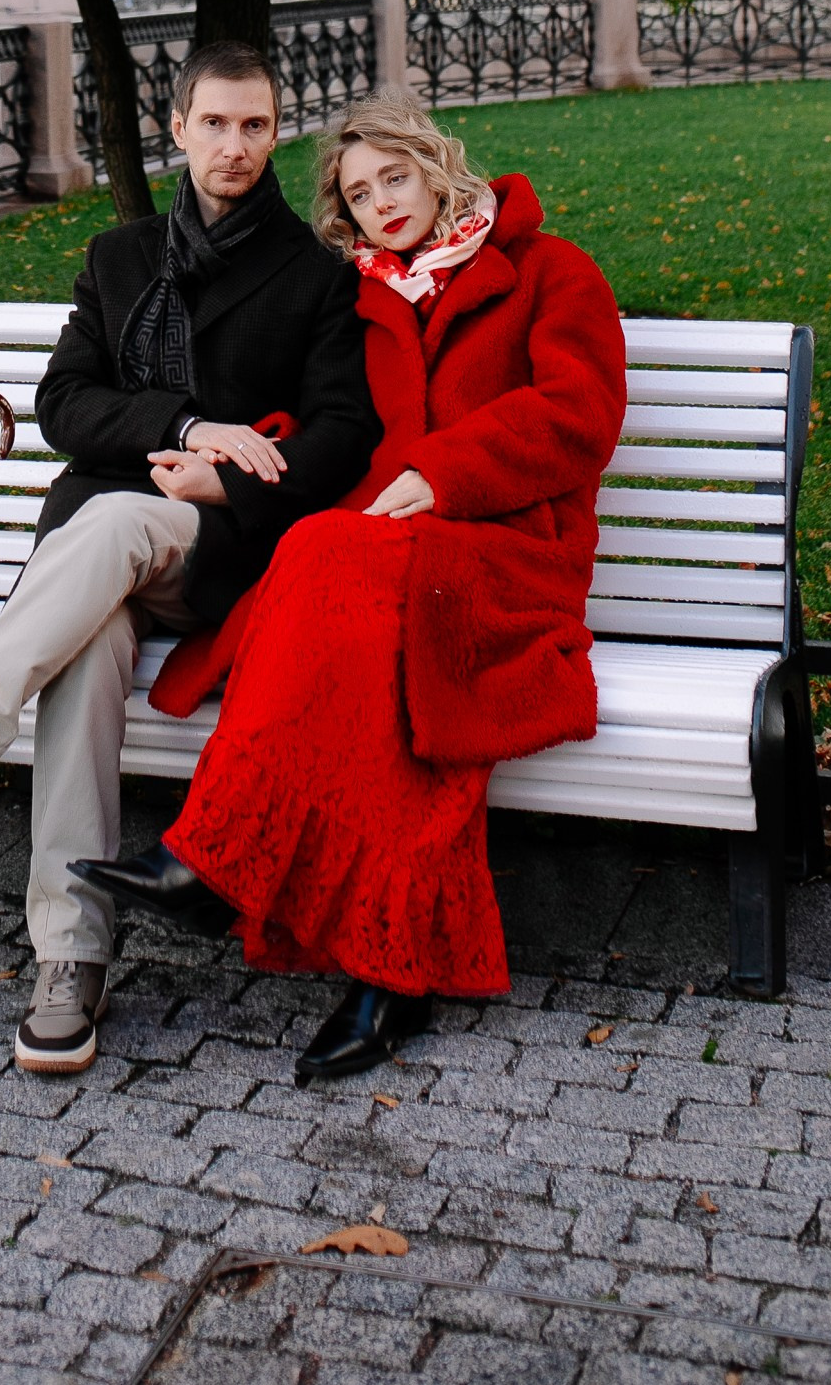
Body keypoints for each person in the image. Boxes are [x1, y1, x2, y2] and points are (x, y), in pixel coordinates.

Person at [0, 42, 377, 1076]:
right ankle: (69, 959)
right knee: (85, 650)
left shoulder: (315, 276)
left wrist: (232, 478)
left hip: (223, 553)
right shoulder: (121, 259)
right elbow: (62, 406)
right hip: (95, 562)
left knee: (105, 528)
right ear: (177, 128)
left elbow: (341, 436)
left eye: (253, 125)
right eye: (214, 124)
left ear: (275, 130)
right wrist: (191, 425)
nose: (233, 146)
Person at [75, 91, 625, 1086]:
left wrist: (447, 472)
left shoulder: (545, 272)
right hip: (391, 556)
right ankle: (383, 975)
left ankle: (213, 857)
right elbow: (326, 427)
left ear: (436, 165)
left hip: (504, 559)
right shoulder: (364, 300)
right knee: (352, 620)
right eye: (359, 194)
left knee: (328, 563)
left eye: (394, 178)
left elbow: (579, 409)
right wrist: (237, 464)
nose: (380, 205)